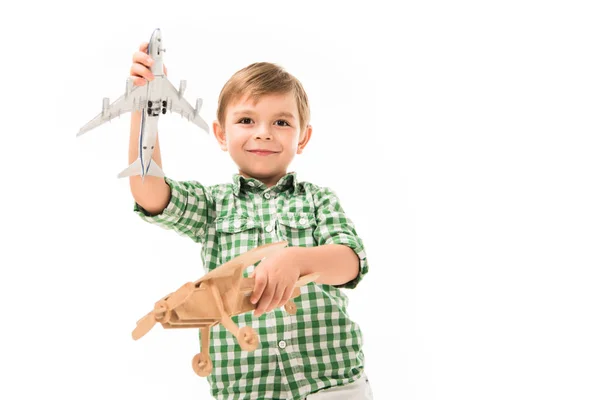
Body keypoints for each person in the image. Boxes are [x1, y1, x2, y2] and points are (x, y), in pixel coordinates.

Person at [127, 41, 374, 400]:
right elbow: (149, 192)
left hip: (333, 387)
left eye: (282, 122)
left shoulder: (318, 200)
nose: (263, 132)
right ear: (221, 135)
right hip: (249, 392)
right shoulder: (212, 206)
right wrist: (144, 109)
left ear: (302, 137)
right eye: (246, 120)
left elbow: (351, 262)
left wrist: (298, 260)